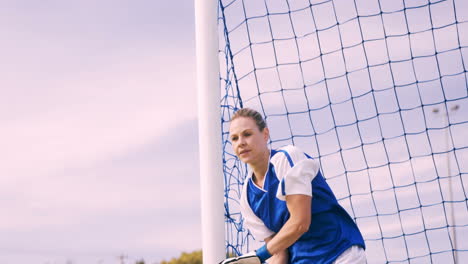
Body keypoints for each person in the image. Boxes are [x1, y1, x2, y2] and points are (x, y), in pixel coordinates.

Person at [219, 108, 366, 264]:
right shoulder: (247, 199)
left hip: (339, 254)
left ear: (265, 134)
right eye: (234, 138)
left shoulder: (287, 158)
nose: (241, 142)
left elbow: (300, 223)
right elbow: (278, 254)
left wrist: (257, 256)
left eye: (247, 134)